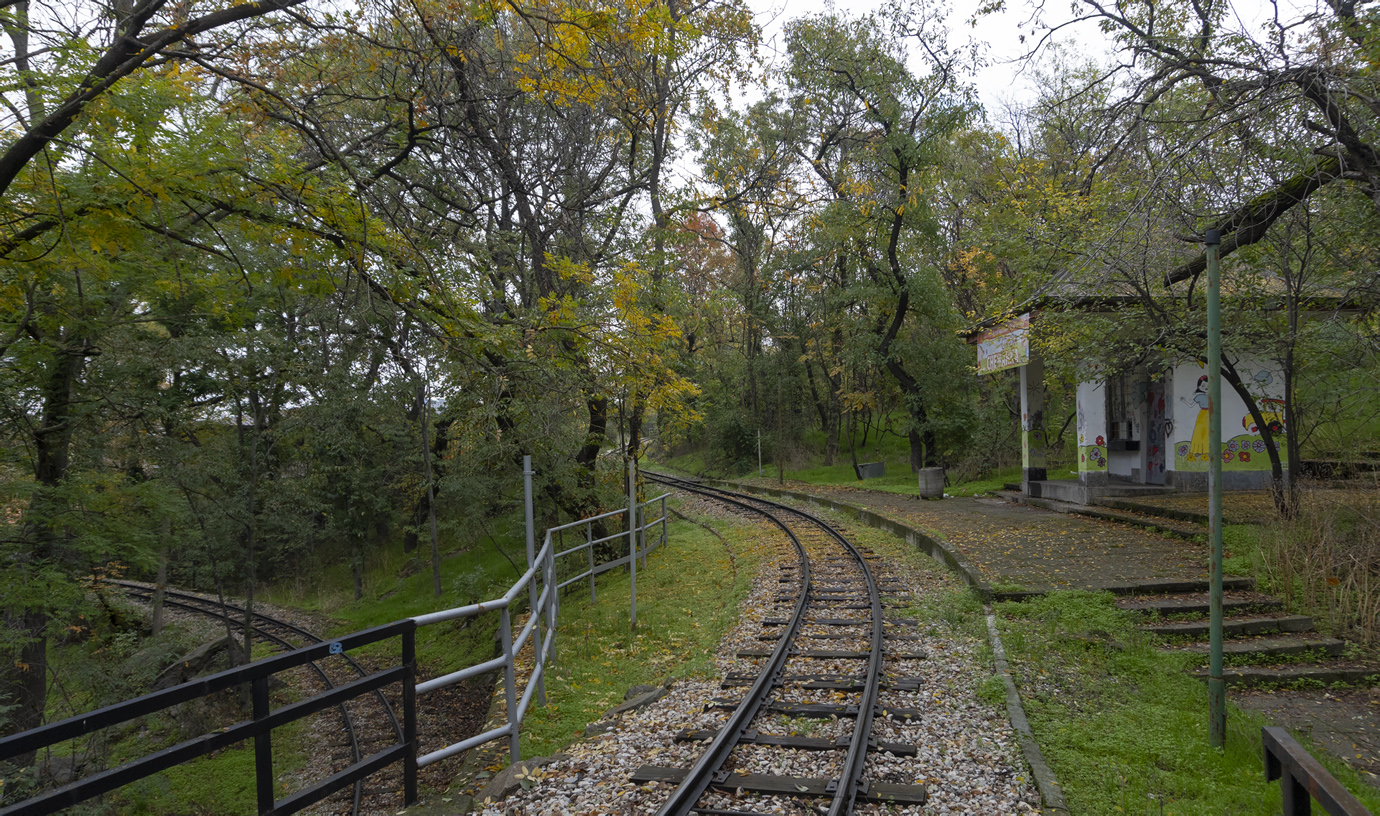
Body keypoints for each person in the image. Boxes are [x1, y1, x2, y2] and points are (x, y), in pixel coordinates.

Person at [1183, 375, 1211, 460]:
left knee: (1208, 432)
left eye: (1208, 386)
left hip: (1210, 414)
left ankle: (1206, 450)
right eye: (1203, 386)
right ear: (1199, 386)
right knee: (1200, 432)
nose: (1206, 388)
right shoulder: (1199, 396)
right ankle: (1197, 450)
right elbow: (1191, 405)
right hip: (1203, 414)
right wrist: (1184, 400)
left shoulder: (1211, 395)